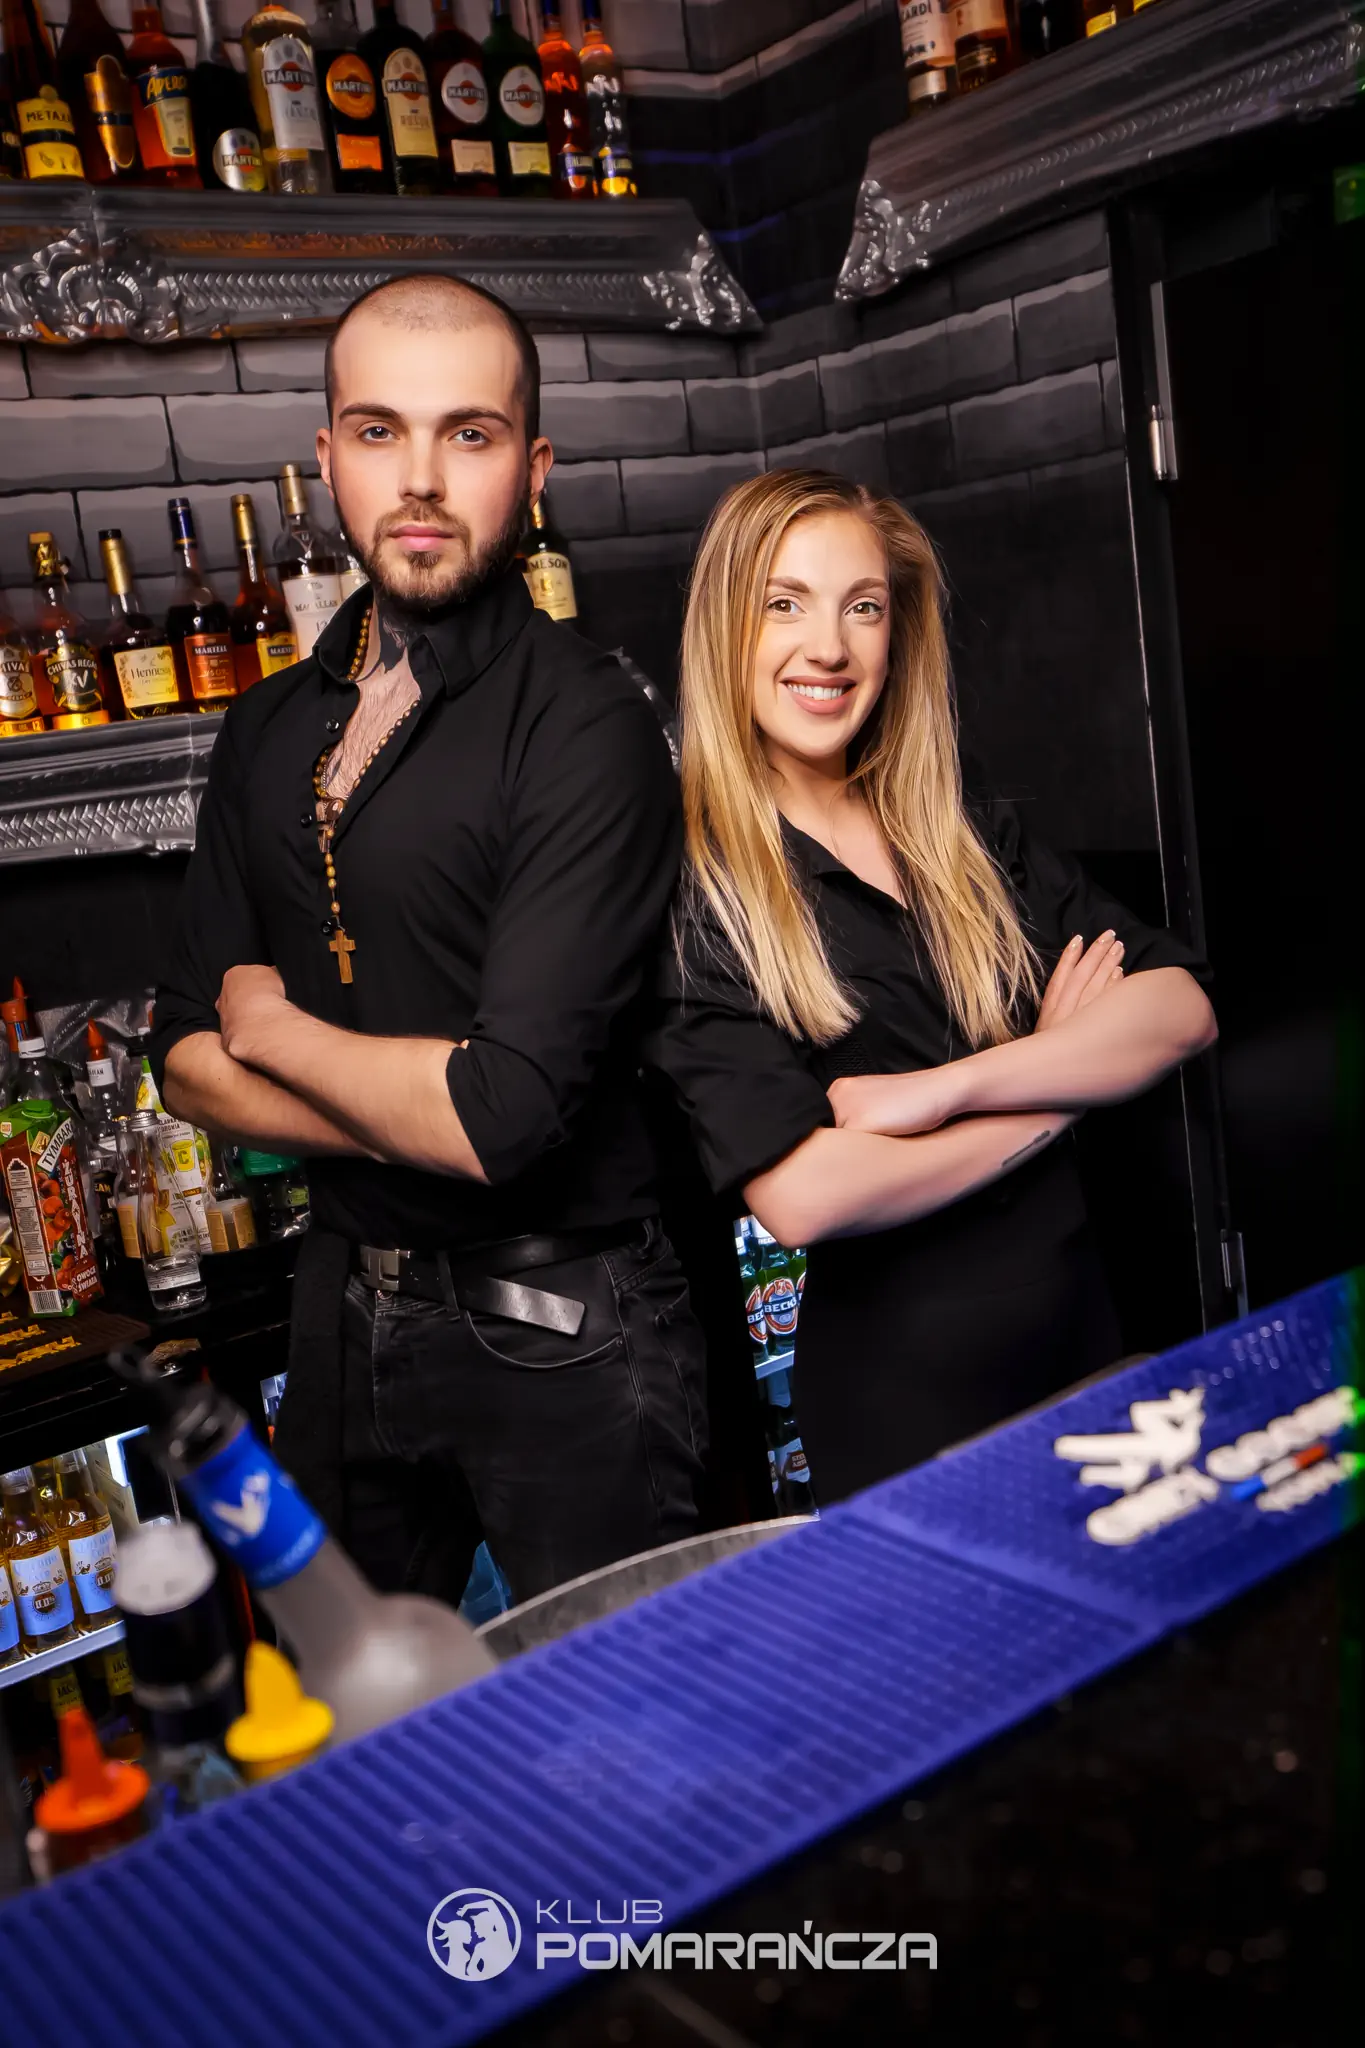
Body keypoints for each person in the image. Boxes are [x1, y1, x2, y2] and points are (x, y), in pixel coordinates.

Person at [151, 272, 706, 1606]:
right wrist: (409, 1105)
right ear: (327, 456)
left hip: (563, 1320)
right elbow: (181, 1058)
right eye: (378, 430)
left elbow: (500, 1117)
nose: (419, 477)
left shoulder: (585, 720)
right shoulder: (267, 727)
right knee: (348, 1702)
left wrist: (275, 1032)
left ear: (533, 469)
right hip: (341, 1307)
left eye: (468, 432)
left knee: (621, 1704)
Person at [651, 468, 1217, 1501]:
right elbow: (804, 1193)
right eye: (785, 603)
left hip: (1088, 1346)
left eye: (863, 607)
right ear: (726, 625)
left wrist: (948, 1088)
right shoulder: (700, 896)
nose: (830, 647)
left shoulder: (957, 829)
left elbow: (1180, 1007)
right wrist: (1059, 1088)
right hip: (903, 1403)